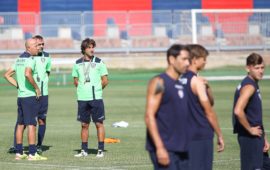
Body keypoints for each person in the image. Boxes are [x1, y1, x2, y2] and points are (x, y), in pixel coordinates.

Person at [145, 44, 190, 169]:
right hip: (166, 148)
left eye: (189, 60)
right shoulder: (159, 82)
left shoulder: (180, 84)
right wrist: (159, 148)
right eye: (184, 59)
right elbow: (149, 116)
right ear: (171, 59)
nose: (187, 63)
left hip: (182, 148)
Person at [180, 44, 225, 170]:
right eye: (203, 58)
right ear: (195, 60)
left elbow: (210, 101)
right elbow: (209, 111)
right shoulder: (196, 82)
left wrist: (208, 86)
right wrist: (220, 134)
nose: (205, 62)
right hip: (200, 134)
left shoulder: (180, 79)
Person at [4, 38, 47, 160]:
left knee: (21, 124)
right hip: (29, 97)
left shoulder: (19, 59)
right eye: (35, 45)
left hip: (21, 97)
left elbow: (7, 75)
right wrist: (36, 88)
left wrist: (18, 85)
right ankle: (32, 154)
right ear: (28, 48)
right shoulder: (30, 59)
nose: (38, 47)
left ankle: (19, 152)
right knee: (32, 125)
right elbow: (27, 73)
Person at [72, 38, 109, 158]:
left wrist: (97, 90)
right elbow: (75, 80)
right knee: (84, 125)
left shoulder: (99, 62)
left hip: (96, 98)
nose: (92, 49)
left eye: (93, 47)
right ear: (84, 49)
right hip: (82, 99)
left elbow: (105, 81)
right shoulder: (77, 63)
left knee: (99, 124)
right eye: (89, 47)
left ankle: (100, 150)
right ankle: (84, 150)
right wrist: (83, 90)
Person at [233, 53, 269, 170]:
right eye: (256, 68)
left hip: (257, 136)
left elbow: (255, 114)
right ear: (248, 68)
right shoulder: (249, 86)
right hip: (250, 137)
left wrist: (264, 137)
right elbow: (238, 110)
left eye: (262, 67)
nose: (260, 71)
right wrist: (250, 129)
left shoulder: (253, 84)